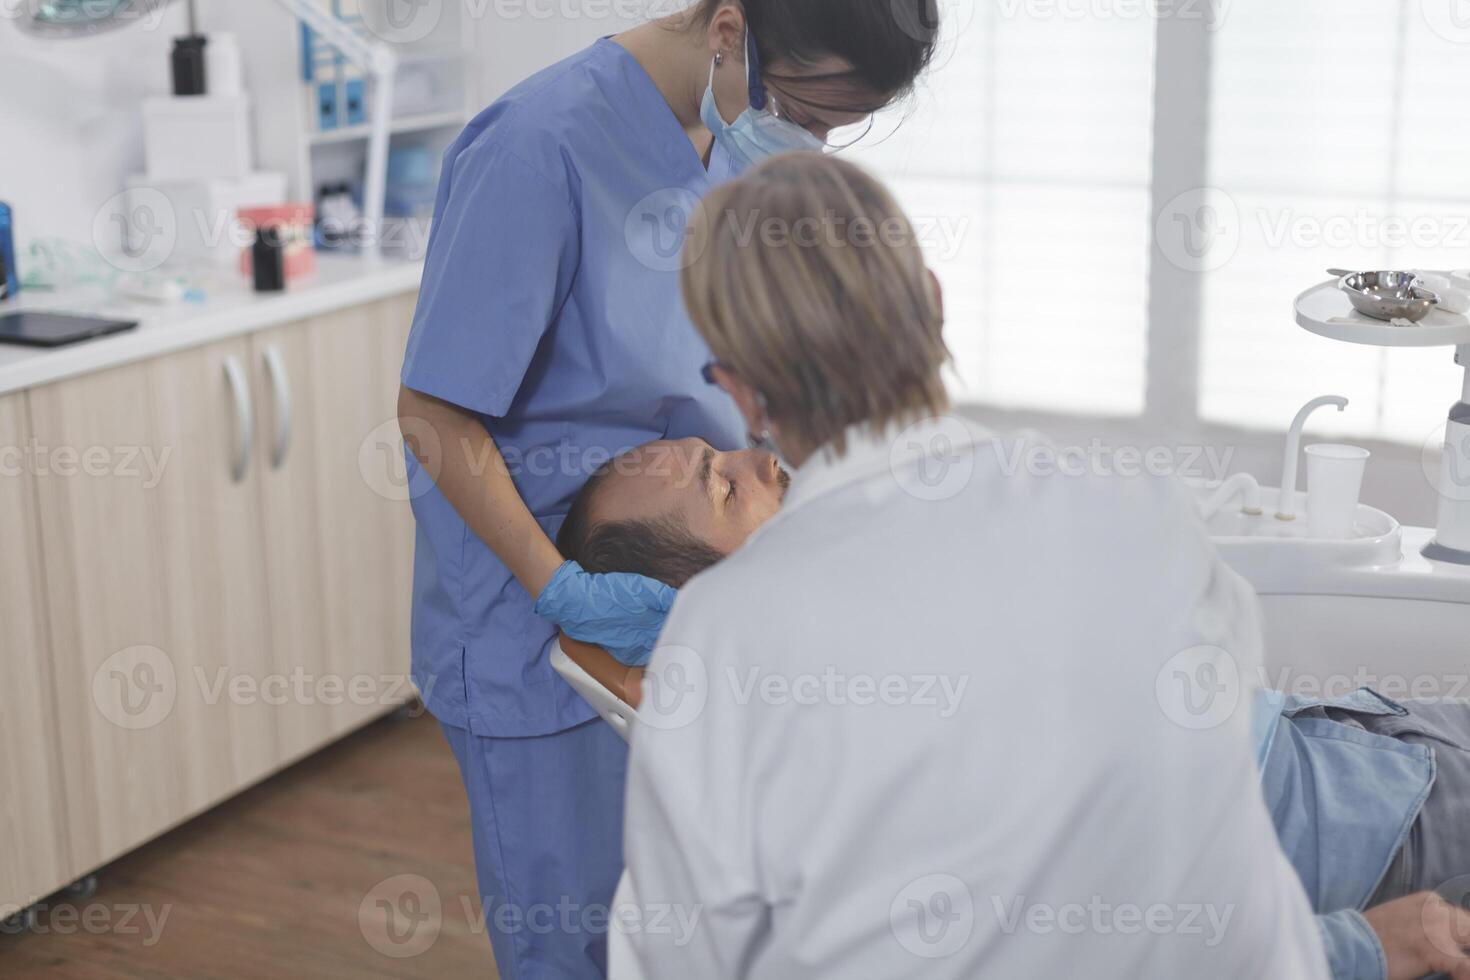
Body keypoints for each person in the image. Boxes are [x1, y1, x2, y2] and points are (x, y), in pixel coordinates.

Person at [614, 152, 1330, 978]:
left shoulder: (722, 634)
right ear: (935, 302)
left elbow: (675, 955)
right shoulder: (1137, 506)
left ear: (740, 394)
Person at [395, 2, 941, 975]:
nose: (807, 143)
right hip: (538, 623)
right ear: (730, 28)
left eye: (833, 128)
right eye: (806, 111)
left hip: (704, 601)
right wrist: (562, 589)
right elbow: (436, 414)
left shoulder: (732, 136)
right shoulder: (536, 148)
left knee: (691, 928)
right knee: (581, 938)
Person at [561, 437, 1470, 980]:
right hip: (1374, 838)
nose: (761, 461)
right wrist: (1359, 950)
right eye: (726, 489)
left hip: (1358, 748)